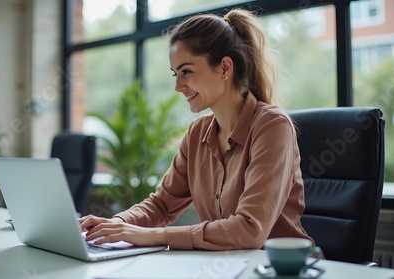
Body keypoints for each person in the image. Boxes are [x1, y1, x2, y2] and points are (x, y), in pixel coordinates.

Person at [79, 8, 314, 250]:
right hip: (225, 267)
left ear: (224, 68)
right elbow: (161, 205)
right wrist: (116, 225)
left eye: (186, 72)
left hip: (281, 269)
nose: (178, 86)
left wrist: (155, 235)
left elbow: (249, 230)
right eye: (175, 74)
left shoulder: (272, 126)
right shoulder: (196, 134)